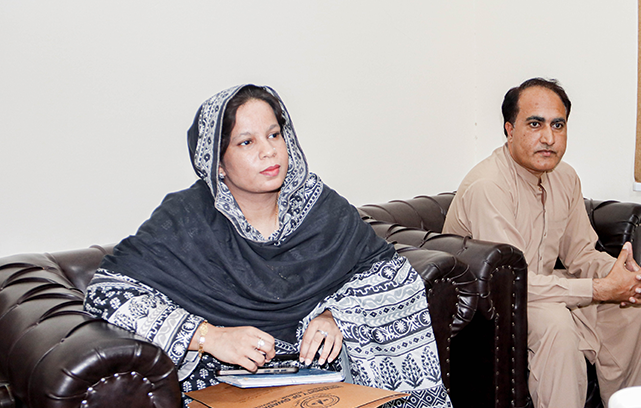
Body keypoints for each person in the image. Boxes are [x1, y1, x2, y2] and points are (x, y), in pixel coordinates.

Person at [84, 84, 452, 408]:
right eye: (247, 142)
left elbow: (390, 274)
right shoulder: (187, 218)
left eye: (274, 135)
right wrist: (210, 336)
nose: (268, 151)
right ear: (217, 162)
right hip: (223, 388)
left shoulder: (320, 208)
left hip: (325, 385)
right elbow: (109, 293)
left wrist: (336, 315)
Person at [442, 78, 641, 408]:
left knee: (635, 305)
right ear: (509, 130)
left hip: (540, 288)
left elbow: (581, 253)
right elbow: (513, 284)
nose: (548, 138)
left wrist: (625, 277)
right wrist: (599, 289)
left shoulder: (565, 177)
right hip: (491, 303)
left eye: (558, 125)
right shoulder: (489, 186)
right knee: (556, 323)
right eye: (535, 124)